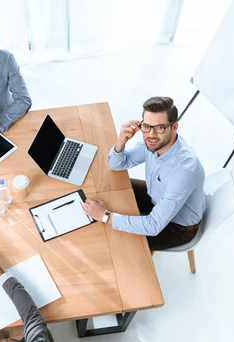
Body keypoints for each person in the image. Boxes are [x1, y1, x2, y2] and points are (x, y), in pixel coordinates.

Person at [83, 96, 206, 251]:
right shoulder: (154, 142)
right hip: (156, 199)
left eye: (160, 127)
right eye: (146, 126)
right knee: (108, 188)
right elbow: (117, 164)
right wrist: (121, 141)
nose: (151, 134)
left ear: (174, 127)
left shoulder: (184, 171)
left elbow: (153, 225)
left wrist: (106, 216)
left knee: (110, 240)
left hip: (177, 228)